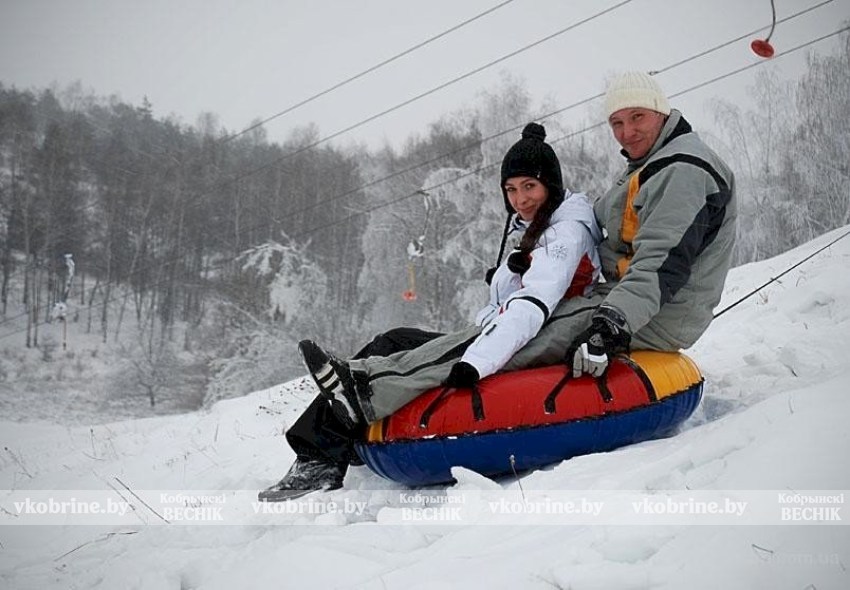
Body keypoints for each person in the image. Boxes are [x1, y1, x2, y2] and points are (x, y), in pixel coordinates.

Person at [259, 122, 603, 501]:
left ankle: (322, 450)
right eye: (511, 189)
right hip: (504, 332)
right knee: (392, 340)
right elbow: (502, 303)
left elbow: (533, 305)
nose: (520, 199)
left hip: (528, 340)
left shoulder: (565, 234)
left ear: (550, 186)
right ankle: (323, 448)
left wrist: (478, 359)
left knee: (408, 352)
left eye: (529, 187)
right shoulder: (534, 228)